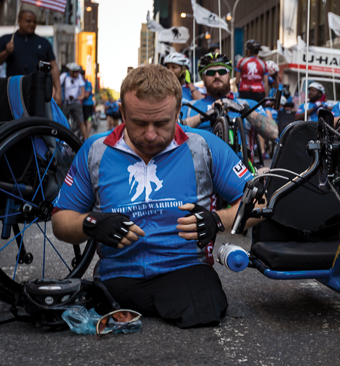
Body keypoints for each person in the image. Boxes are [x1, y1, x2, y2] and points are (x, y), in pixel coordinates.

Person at [51, 64, 263, 328]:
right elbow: (60, 222)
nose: (150, 135)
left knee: (204, 312)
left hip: (185, 271)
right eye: (139, 122)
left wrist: (217, 221)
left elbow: (258, 201)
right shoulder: (95, 150)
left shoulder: (204, 145)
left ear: (178, 113)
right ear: (122, 112)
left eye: (162, 123)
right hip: (118, 277)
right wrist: (92, 224)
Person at [180, 53, 278, 155]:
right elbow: (173, 133)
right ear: (203, 78)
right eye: (210, 73)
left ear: (229, 75)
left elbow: (274, 133)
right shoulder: (189, 107)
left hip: (243, 168)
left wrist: (241, 109)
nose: (217, 76)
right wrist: (203, 116)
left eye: (222, 71)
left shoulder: (247, 104)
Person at [0, 10, 62, 105]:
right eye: (28, 21)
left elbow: (53, 67)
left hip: (37, 90)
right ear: (19, 21)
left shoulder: (44, 43)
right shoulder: (7, 40)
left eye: (34, 22)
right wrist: (7, 52)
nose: (32, 24)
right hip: (13, 89)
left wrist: (58, 90)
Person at [60, 63, 88, 140]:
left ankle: (85, 140)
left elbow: (82, 90)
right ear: (71, 72)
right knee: (63, 121)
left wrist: (80, 97)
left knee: (81, 122)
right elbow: (57, 86)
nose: (78, 73)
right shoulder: (64, 76)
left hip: (76, 103)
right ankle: (63, 140)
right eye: (76, 72)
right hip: (66, 103)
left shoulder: (79, 77)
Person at [81, 69, 95, 134]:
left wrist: (78, 96)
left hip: (88, 105)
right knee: (83, 121)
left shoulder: (88, 83)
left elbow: (86, 95)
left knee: (88, 121)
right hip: (81, 105)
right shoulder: (79, 82)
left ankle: (86, 137)